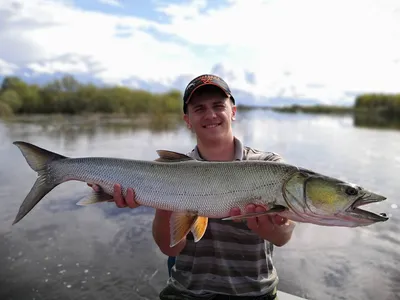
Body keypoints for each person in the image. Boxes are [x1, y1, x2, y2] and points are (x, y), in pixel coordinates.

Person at [89, 74, 296, 299]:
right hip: (187, 293)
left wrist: (272, 229)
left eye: (218, 105)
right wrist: (162, 199)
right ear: (187, 120)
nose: (210, 114)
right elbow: (170, 249)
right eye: (199, 109)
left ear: (233, 112)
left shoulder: (270, 166)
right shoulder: (170, 169)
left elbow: (283, 237)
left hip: (255, 294)